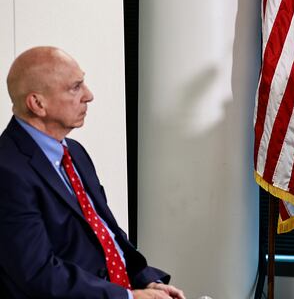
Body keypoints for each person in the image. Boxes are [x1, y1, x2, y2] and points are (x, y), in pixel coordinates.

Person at [0, 46, 186, 299]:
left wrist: (146, 281)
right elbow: (37, 273)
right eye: (75, 88)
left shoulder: (75, 152)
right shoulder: (7, 170)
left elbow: (107, 233)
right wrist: (129, 297)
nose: (89, 95)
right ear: (37, 103)